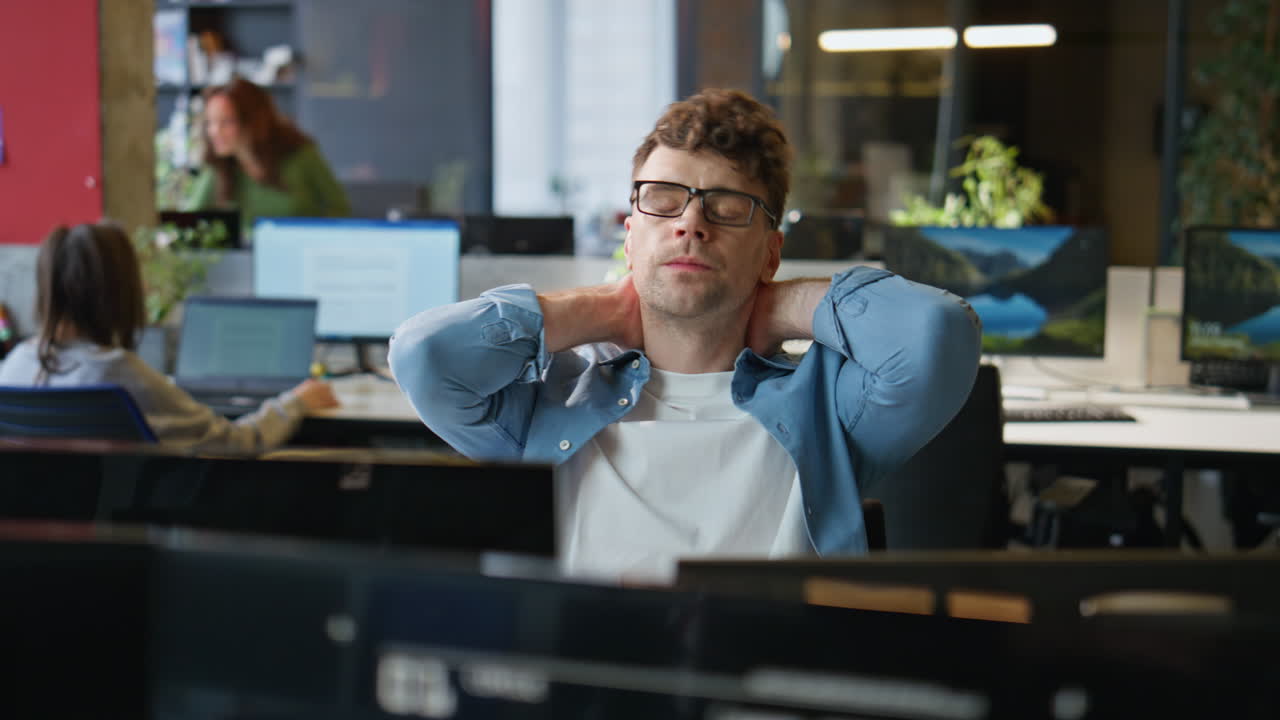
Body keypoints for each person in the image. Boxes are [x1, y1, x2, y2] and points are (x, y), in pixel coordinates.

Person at [389, 89, 981, 581]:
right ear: (630, 236)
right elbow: (425, 356)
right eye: (664, 202)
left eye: (725, 208)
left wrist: (784, 304)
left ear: (770, 252)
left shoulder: (833, 410)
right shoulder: (553, 397)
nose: (690, 224)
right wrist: (600, 309)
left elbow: (936, 333)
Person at [0, 222, 338, 453]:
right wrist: (296, 402)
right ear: (121, 291)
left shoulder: (13, 368)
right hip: (129, 541)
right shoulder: (121, 374)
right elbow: (236, 442)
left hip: (31, 542)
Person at [184, 76, 351, 235]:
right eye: (210, 122)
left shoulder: (300, 156)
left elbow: (340, 210)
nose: (214, 132)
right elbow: (188, 224)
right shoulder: (219, 169)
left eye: (226, 122)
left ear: (252, 121)